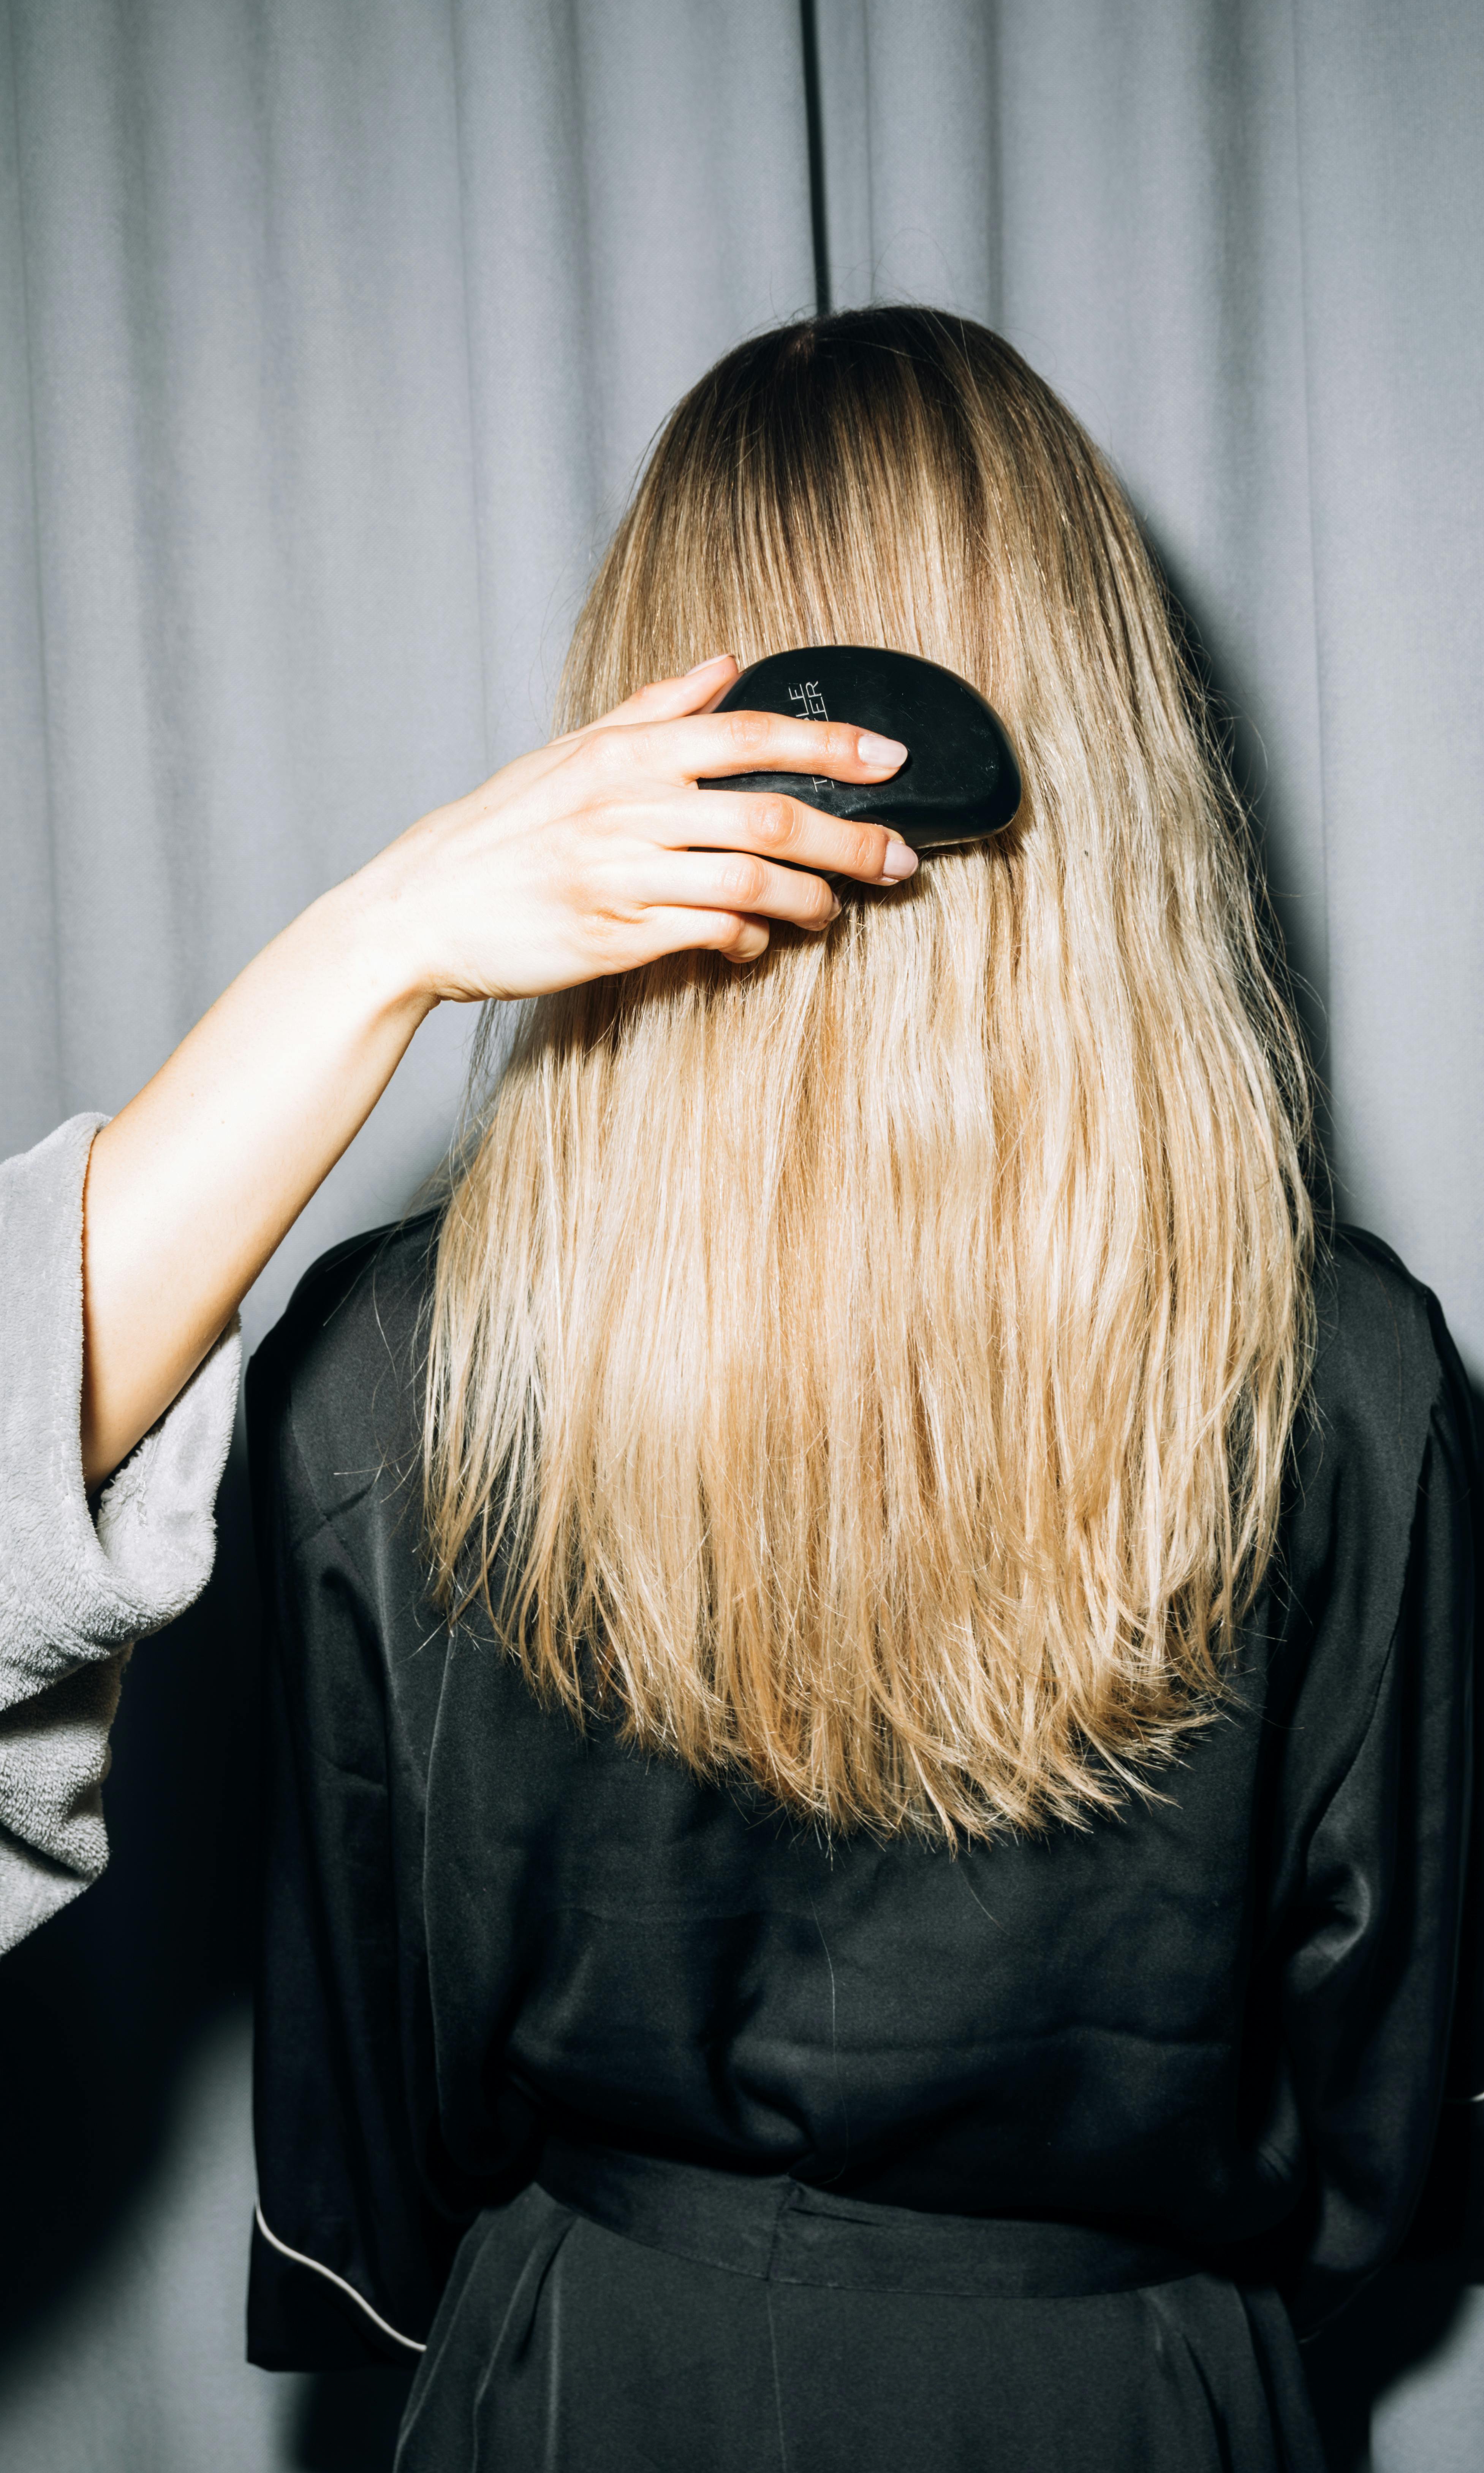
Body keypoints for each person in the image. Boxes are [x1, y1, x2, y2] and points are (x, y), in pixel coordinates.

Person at [246, 307, 1481, 2473]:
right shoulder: (1342, 1369)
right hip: (1130, 2394)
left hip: (592, 2377)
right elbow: (1369, 2100)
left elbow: (370, 2090)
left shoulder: (392, 1371)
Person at [0, 647, 913, 1953]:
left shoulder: (377, 1374)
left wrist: (387, 936)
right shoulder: (1270, 1385)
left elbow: (350, 2020)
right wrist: (387, 937)